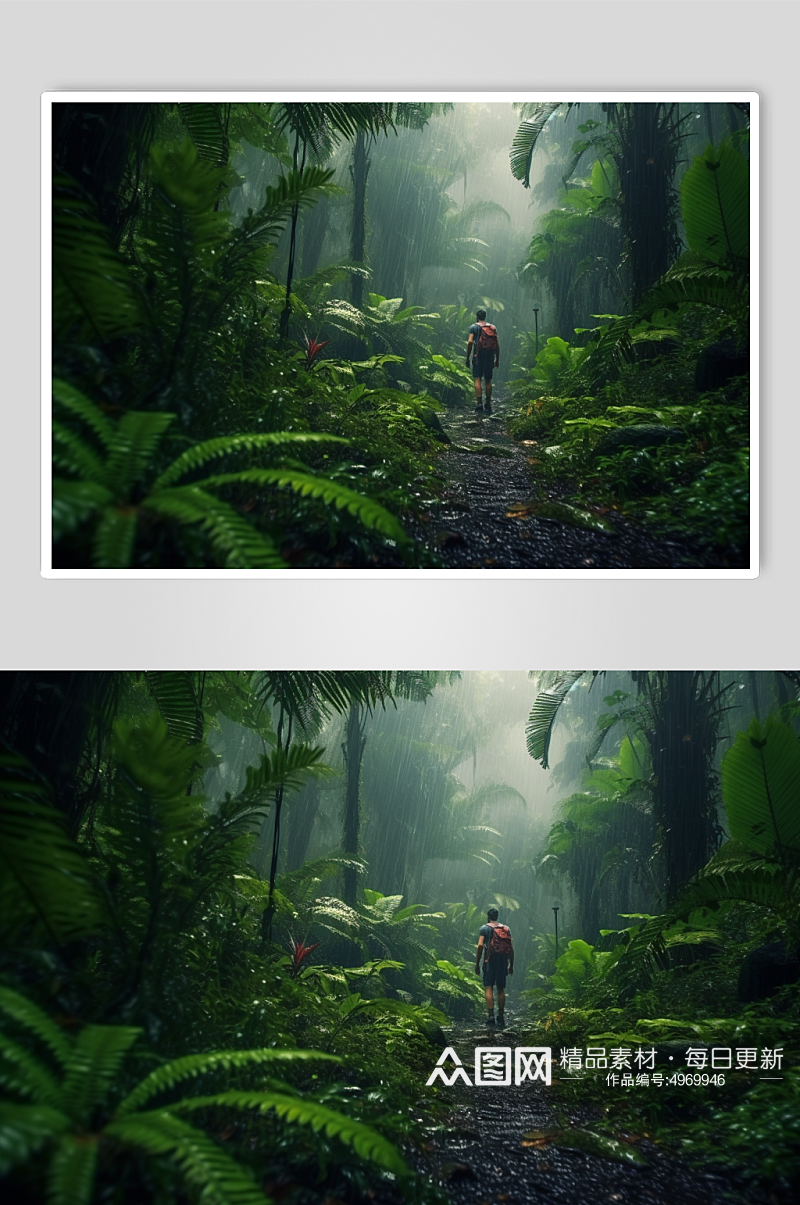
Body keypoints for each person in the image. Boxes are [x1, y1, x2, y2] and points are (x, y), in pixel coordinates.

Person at [475, 907, 514, 1028]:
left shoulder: (485, 928)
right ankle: (501, 1016)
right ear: (497, 917)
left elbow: (480, 945)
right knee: (501, 988)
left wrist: (477, 963)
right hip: (502, 961)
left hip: (489, 960)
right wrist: (511, 965)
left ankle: (491, 1016)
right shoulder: (506, 929)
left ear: (488, 917)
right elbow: (511, 949)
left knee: (488, 987)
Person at [466, 309, 500, 412]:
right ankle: (488, 403)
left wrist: (467, 357)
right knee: (488, 379)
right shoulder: (492, 327)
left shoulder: (474, 327)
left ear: (477, 317)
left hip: (478, 355)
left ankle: (479, 403)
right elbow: (497, 345)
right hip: (489, 356)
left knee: (477, 378)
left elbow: (470, 342)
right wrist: (497, 359)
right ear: (485, 317)